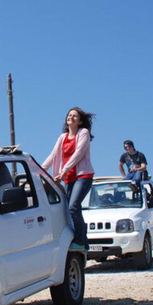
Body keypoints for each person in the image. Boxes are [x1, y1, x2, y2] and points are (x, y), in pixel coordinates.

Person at [41, 107, 95, 251]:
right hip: (68, 178)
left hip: (83, 176)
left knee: (73, 206)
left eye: (75, 116)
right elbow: (53, 155)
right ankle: (85, 243)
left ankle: (79, 241)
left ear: (80, 121)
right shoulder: (62, 137)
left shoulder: (84, 133)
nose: (71, 117)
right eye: (69, 115)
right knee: (70, 209)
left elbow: (78, 154)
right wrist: (39, 171)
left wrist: (64, 170)